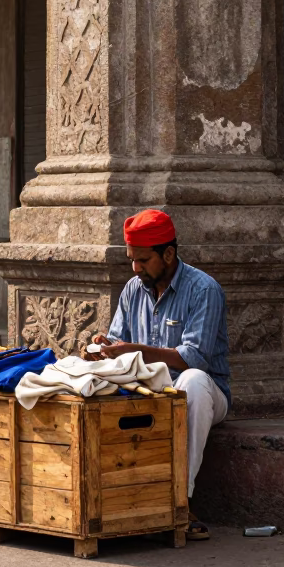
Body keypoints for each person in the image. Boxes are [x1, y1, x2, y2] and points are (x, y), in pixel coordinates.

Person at [88, 209, 230, 541]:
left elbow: (193, 358)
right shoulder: (132, 289)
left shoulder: (203, 290)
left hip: (205, 392)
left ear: (168, 254)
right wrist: (103, 348)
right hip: (147, 388)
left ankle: (181, 498)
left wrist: (131, 349)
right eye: (131, 260)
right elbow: (118, 342)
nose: (135, 268)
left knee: (192, 381)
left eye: (143, 260)